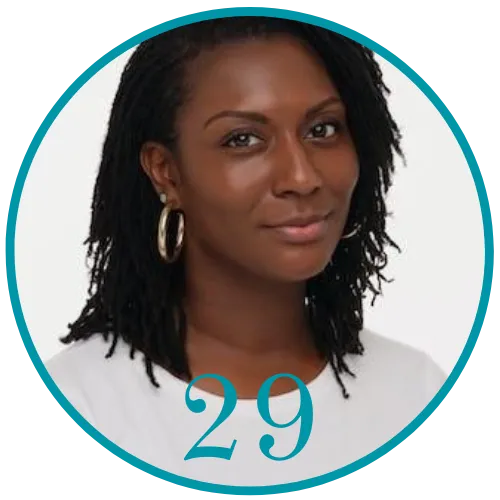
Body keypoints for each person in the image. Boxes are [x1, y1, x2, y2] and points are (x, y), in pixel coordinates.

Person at [46, 17, 446, 487]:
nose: (302, 177)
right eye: (243, 139)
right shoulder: (81, 402)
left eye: (322, 129)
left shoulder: (413, 393)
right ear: (166, 172)